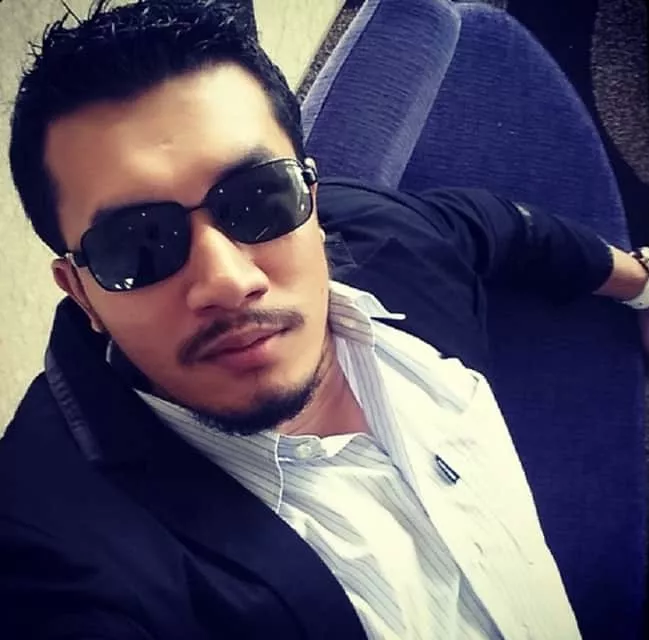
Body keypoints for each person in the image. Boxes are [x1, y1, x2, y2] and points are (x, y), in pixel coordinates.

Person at [0, 1, 647, 639]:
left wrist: (637, 282)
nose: (228, 280)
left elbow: (493, 226)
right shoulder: (51, 549)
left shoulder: (387, 236)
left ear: (311, 198)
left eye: (258, 197)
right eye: (136, 244)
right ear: (80, 292)